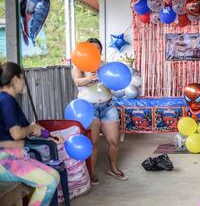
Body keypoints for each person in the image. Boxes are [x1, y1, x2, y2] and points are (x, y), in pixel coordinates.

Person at [0, 61, 64, 206]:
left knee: (54, 174)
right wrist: (31, 128)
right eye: (23, 78)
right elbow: (17, 134)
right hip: (4, 160)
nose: (24, 83)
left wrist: (50, 136)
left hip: (11, 156)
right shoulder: (6, 101)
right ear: (15, 79)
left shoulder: (6, 99)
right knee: (48, 183)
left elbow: (30, 129)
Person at [71, 38, 127, 185]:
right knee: (94, 142)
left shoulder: (106, 66)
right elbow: (77, 81)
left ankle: (113, 168)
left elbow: (114, 88)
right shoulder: (79, 65)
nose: (96, 52)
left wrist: (114, 84)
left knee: (113, 141)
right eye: (92, 49)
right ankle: (92, 173)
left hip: (108, 107)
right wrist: (90, 78)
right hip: (89, 108)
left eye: (98, 49)